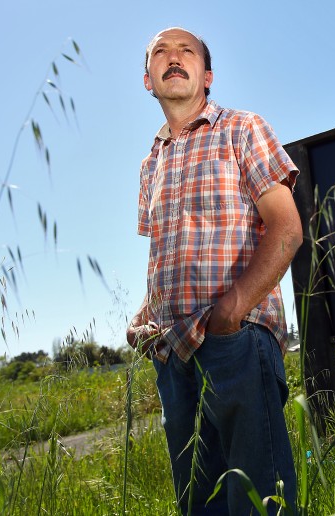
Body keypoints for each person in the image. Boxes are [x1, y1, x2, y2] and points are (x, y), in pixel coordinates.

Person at [126, 27, 302, 515]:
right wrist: (143, 318)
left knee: (259, 502)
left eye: (187, 52)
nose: (174, 58)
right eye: (161, 53)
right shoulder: (149, 165)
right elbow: (162, 258)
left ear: (207, 76)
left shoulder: (243, 128)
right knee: (198, 506)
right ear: (148, 80)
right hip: (172, 354)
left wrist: (232, 311)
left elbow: (287, 229)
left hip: (235, 341)